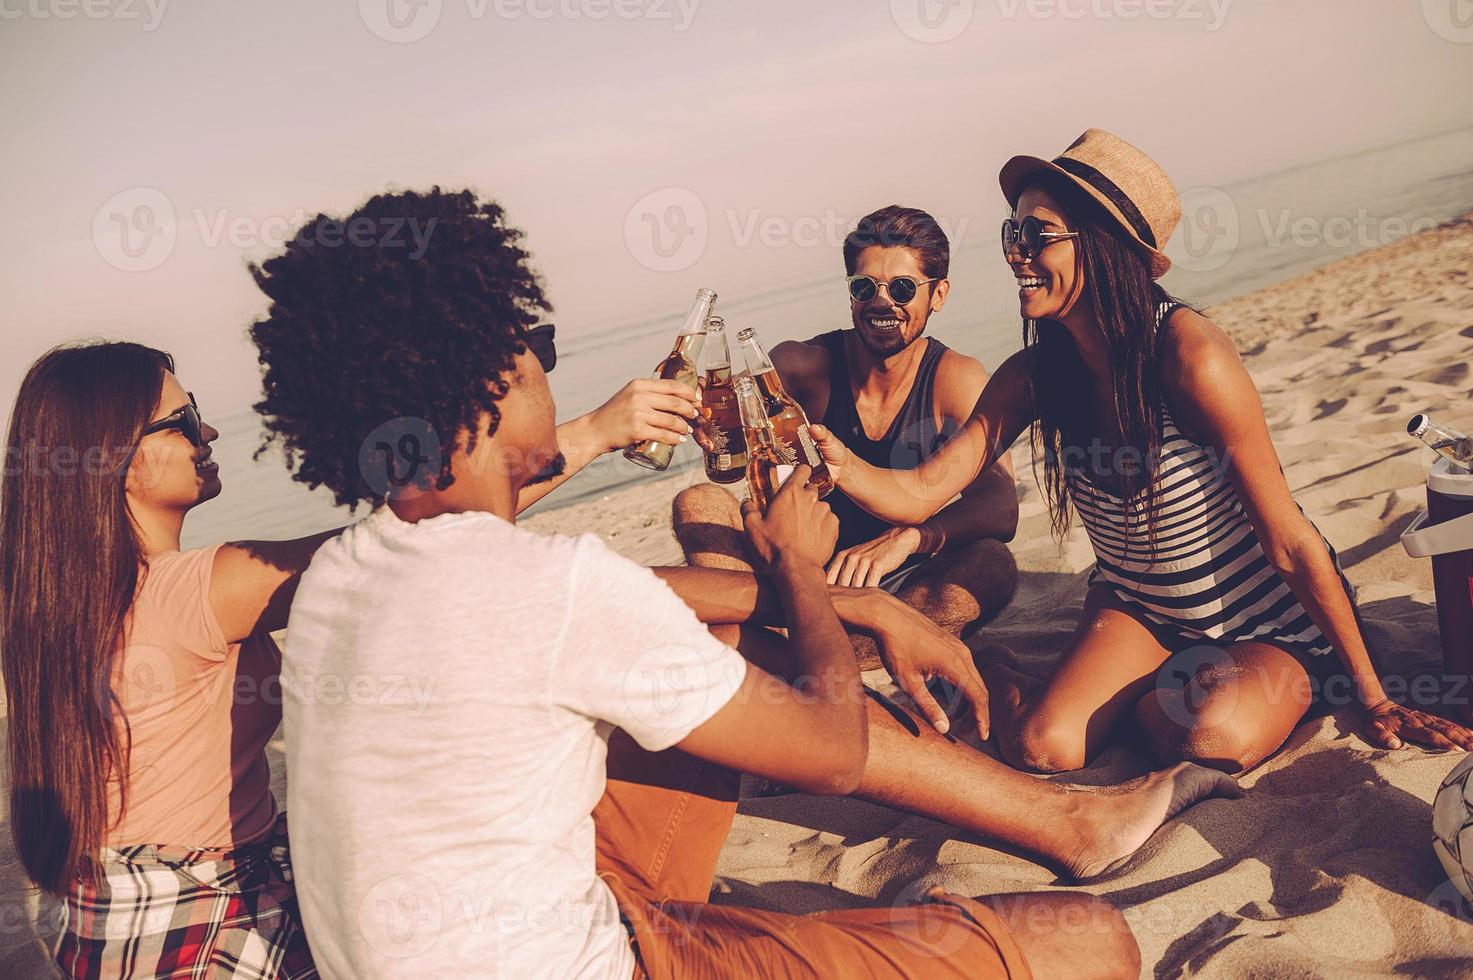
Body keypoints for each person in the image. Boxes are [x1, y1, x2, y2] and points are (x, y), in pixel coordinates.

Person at [248, 187, 1239, 978]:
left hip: (500, 921)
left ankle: (1053, 814)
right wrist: (804, 569)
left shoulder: (341, 572)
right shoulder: (547, 581)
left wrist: (862, 596)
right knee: (1089, 944)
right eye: (537, 349)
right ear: (492, 377)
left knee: (711, 645)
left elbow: (633, 597)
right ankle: (1062, 819)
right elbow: (829, 742)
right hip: (608, 954)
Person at [808, 128, 1473, 775]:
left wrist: (1372, 691)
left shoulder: (1188, 356)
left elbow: (1289, 538)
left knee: (1212, 736)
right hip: (1140, 610)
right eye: (1012, 233)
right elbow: (923, 488)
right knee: (1044, 748)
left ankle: (1176, 689)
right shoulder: (1033, 374)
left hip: (1264, 621)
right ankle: (1022, 675)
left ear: (1101, 247)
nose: (1015, 252)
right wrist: (836, 457)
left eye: (1035, 235)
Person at [0, 342, 326, 977]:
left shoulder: (53, 604)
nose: (205, 431)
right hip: (207, 920)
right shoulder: (192, 592)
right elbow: (418, 536)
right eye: (180, 420)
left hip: (109, 920)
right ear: (113, 458)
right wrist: (574, 438)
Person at [675, 205, 1019, 668]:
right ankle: (822, 646)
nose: (881, 302)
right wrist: (711, 427)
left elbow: (1001, 508)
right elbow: (730, 434)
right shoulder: (801, 368)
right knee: (698, 503)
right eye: (864, 287)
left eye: (901, 288)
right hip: (794, 576)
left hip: (897, 579)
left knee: (990, 563)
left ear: (939, 295)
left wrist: (908, 539)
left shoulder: (955, 380)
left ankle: (790, 656)